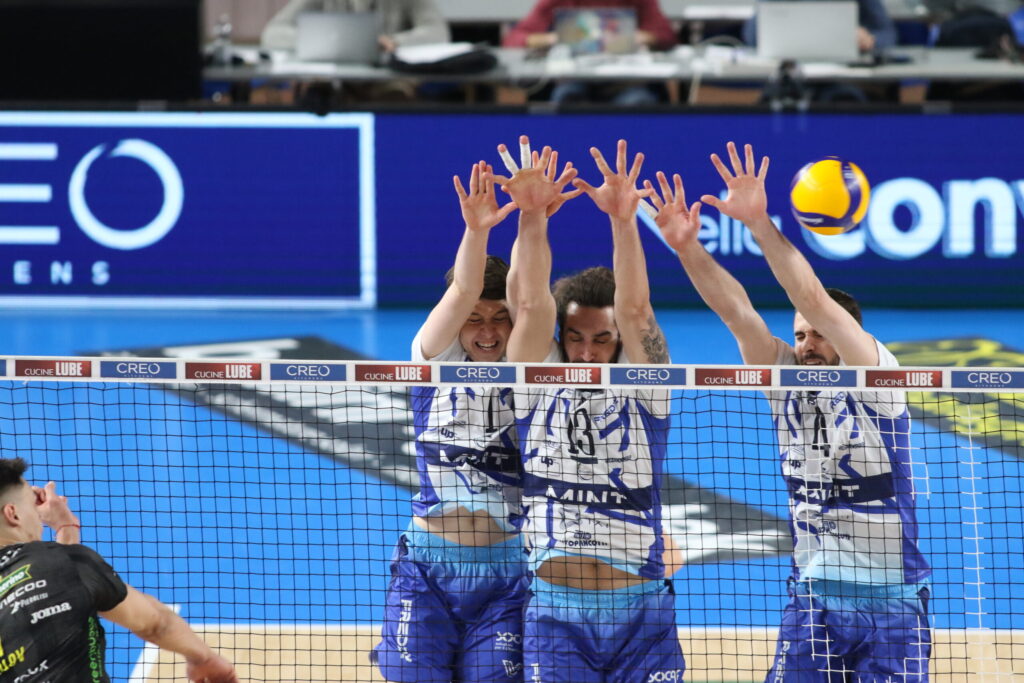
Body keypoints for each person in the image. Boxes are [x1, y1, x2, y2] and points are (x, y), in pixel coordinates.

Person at [649, 142, 931, 682]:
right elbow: (737, 313)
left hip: (892, 602)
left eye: (818, 334)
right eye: (800, 336)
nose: (806, 345)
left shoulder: (879, 381)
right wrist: (687, 248)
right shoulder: (786, 384)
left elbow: (815, 299)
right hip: (813, 600)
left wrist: (759, 224)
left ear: (851, 338)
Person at [372, 157, 574, 683]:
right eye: (474, 320)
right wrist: (476, 230)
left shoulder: (533, 368)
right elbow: (462, 290)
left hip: (507, 572)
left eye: (499, 319)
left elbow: (532, 301)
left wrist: (533, 218)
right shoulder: (433, 357)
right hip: (427, 567)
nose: (487, 332)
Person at [499, 139, 686, 683]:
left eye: (602, 339)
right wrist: (532, 218)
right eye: (575, 338)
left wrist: (624, 221)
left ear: (619, 340)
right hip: (556, 616)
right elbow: (530, 302)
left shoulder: (647, 388)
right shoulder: (534, 382)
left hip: (641, 614)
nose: (586, 353)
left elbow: (637, 309)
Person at [0, 458, 238, 683]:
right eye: (31, 503)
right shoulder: (68, 563)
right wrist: (203, 658)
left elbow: (55, 588)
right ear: (13, 514)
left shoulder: (64, 565)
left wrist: (66, 529)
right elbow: (156, 624)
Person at [502, 0, 678, 105]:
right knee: (566, 96)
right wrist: (554, 38)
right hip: (574, 80)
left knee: (638, 102)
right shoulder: (557, 2)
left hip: (624, 82)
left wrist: (642, 37)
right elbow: (514, 38)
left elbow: (667, 36)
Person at [261, 0, 450, 54]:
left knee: (395, 94)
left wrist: (395, 42)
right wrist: (323, 42)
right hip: (332, 79)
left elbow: (438, 33)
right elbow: (272, 33)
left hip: (388, 79)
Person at [742, 0, 897, 54]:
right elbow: (752, 37)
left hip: (845, 76)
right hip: (789, 72)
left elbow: (887, 33)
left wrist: (870, 40)